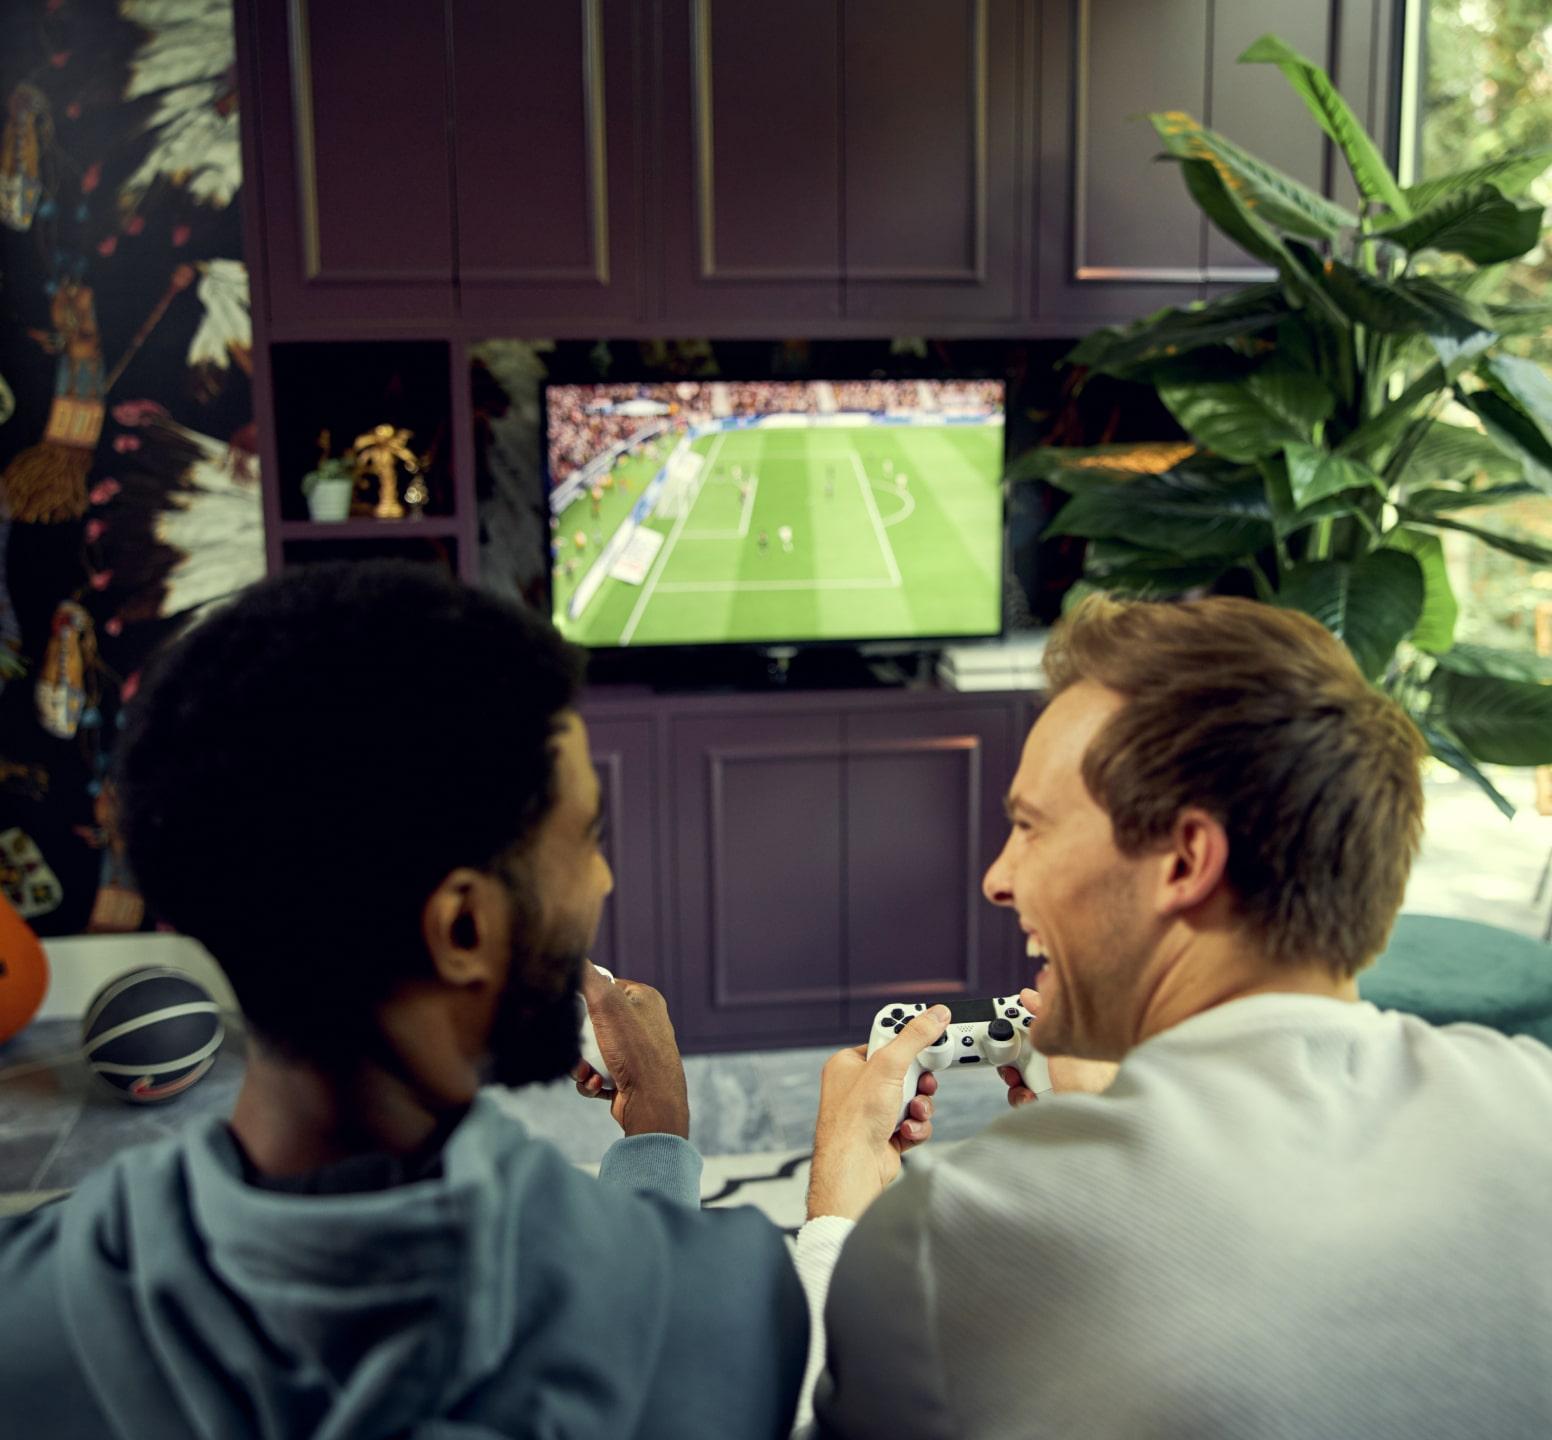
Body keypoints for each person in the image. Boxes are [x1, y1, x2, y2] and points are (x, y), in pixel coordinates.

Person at [0, 560, 948, 1440]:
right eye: (586, 838)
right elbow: (670, 1306)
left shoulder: (29, 1306)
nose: (604, 880)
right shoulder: (720, 1306)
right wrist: (696, 1155)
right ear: (463, 928)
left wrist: (654, 1136)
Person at [808, 594, 1552, 1439]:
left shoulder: (954, 1231)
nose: (998, 878)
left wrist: (840, 1214)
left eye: (1030, 827)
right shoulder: (1535, 1098)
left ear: (1186, 861)